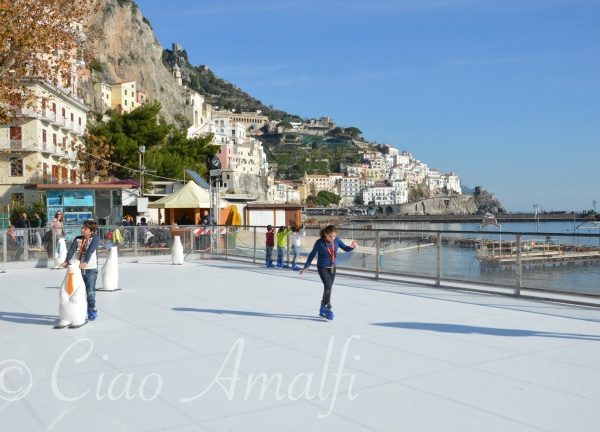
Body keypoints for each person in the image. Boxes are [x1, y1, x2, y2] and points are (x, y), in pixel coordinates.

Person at [299, 225, 357, 320]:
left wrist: (352, 247)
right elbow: (312, 254)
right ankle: (327, 306)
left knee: (328, 287)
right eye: (330, 236)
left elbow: (346, 248)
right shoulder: (319, 242)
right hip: (322, 267)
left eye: (333, 236)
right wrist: (306, 267)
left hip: (333, 267)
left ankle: (322, 306)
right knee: (328, 285)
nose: (332, 238)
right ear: (325, 234)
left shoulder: (337, 240)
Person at [61, 220, 100, 321]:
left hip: (91, 268)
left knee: (90, 290)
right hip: (79, 269)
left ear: (91, 231)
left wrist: (85, 262)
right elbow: (71, 251)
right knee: (78, 291)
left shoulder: (95, 239)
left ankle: (91, 310)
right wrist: (66, 261)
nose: (82, 230)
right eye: (82, 228)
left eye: (85, 229)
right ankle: (78, 310)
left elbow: (90, 251)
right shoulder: (78, 239)